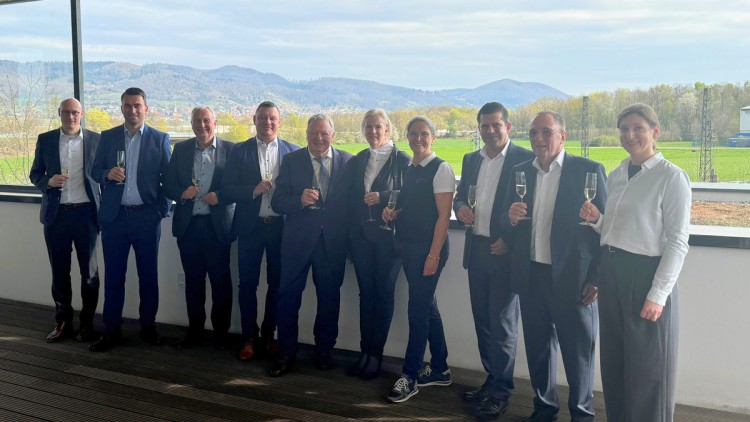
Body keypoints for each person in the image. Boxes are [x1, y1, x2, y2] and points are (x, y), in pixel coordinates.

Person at [580, 103, 690, 422]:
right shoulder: (617, 173)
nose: (629, 135)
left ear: (655, 131)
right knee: (615, 363)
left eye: (637, 128)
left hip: (646, 276)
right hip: (613, 272)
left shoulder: (672, 178)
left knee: (648, 370)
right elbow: (619, 231)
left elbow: (677, 241)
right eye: (624, 129)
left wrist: (658, 294)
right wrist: (598, 220)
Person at [502, 111, 606, 422]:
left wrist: (598, 278)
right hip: (531, 275)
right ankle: (544, 409)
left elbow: (608, 229)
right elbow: (505, 227)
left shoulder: (588, 171)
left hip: (574, 280)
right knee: (538, 351)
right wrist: (509, 219)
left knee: (579, 355)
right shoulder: (521, 172)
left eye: (546, 132)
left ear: (563, 136)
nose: (538, 139)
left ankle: (582, 415)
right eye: (533, 133)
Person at [453, 102, 534, 417]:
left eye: (495, 125)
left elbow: (534, 208)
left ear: (508, 127)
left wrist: (511, 243)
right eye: (484, 126)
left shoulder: (524, 159)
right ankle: (492, 381)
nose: (489, 131)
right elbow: (461, 196)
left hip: (503, 253)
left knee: (502, 325)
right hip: (477, 251)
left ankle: (501, 392)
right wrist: (459, 208)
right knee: (483, 322)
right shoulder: (471, 158)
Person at [268, 114, 354, 377]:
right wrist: (299, 201)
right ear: (306, 134)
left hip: (332, 244)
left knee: (329, 300)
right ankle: (286, 353)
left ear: (333, 135)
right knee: (287, 299)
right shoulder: (292, 160)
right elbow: (277, 202)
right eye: (313, 133)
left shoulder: (348, 162)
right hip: (296, 243)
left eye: (324, 134)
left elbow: (353, 207)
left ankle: (324, 352)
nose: (318, 138)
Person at [89, 87, 172, 352]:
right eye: (127, 105)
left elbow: (168, 182)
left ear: (146, 109)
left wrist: (160, 211)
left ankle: (148, 327)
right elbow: (94, 171)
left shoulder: (160, 139)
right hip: (115, 218)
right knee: (114, 277)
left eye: (137, 105)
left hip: (147, 219)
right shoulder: (109, 136)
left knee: (149, 276)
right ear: (121, 108)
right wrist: (106, 174)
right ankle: (111, 331)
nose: (132, 110)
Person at [382, 116, 455, 403]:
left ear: (433, 137)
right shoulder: (410, 168)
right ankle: (440, 368)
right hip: (409, 247)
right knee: (428, 307)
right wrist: (395, 213)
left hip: (428, 250)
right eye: (413, 134)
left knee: (417, 310)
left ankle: (410, 376)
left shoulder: (442, 169)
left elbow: (442, 218)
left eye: (424, 134)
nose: (418, 139)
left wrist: (433, 255)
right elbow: (413, 207)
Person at [222, 101, 300, 360]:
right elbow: (227, 189)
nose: (268, 122)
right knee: (247, 285)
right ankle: (248, 337)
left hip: (281, 229)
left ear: (280, 121)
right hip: (250, 228)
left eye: (272, 118)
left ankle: (268, 336)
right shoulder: (239, 151)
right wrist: (252, 191)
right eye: (263, 118)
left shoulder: (293, 153)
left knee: (277, 285)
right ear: (254, 119)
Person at [29, 98, 101, 343]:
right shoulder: (46, 139)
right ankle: (63, 323)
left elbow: (103, 173)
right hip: (56, 215)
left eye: (75, 112)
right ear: (59, 113)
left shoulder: (96, 140)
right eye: (66, 112)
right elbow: (35, 173)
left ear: (81, 114)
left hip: (86, 214)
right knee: (59, 272)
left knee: (89, 275)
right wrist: (47, 182)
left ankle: (87, 325)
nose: (70, 116)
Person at [346, 109, 410, 380]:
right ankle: (364, 351)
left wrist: (383, 196)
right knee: (365, 295)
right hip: (361, 239)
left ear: (388, 129)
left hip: (390, 241)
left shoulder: (403, 160)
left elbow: (412, 196)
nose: (373, 131)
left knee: (383, 295)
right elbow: (349, 199)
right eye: (369, 127)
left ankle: (376, 355)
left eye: (378, 127)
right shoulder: (358, 159)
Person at [164, 106, 235, 349]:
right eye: (197, 121)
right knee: (193, 282)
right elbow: (168, 184)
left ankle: (221, 334)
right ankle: (195, 331)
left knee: (221, 282)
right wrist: (182, 193)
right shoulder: (181, 149)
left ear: (215, 123)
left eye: (206, 121)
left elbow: (239, 186)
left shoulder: (231, 150)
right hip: (189, 227)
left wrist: (221, 196)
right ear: (191, 124)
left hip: (217, 228)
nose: (202, 125)